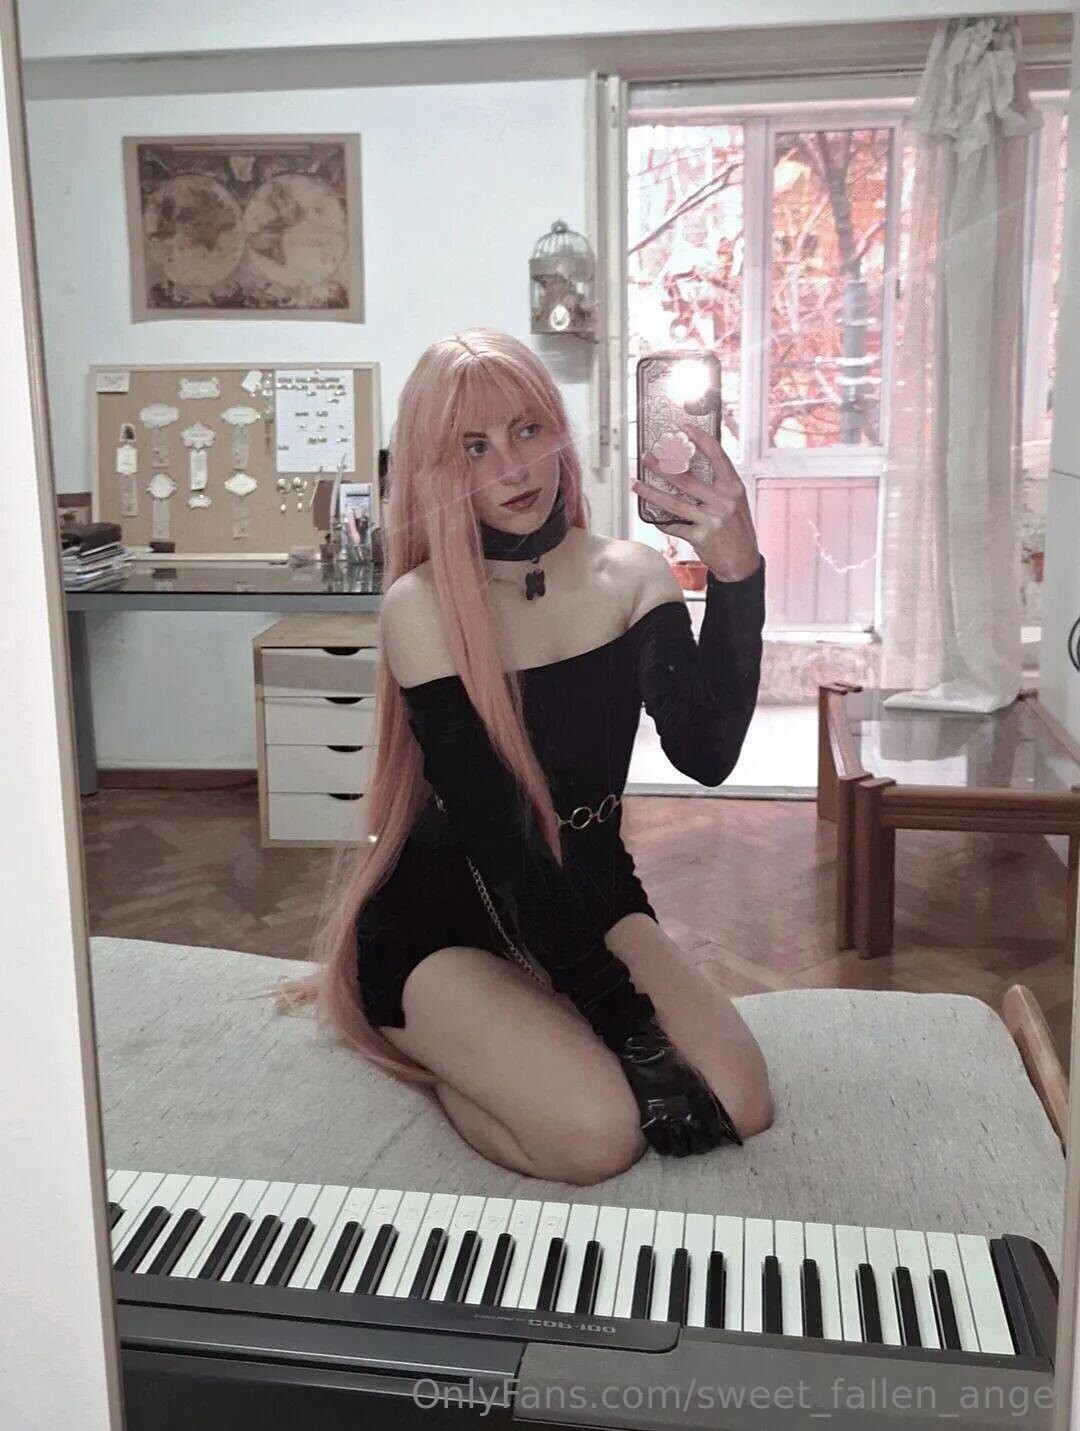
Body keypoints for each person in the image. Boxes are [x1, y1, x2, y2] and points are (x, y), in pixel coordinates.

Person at [288, 328, 772, 1185]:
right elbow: (505, 847)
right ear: (435, 469)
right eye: (473, 447)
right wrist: (628, 1029)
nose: (512, 468)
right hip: (445, 920)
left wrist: (737, 576)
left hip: (593, 891)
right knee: (600, 1136)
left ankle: (529, 1034)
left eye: (526, 430)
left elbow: (707, 755)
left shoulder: (633, 575)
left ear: (559, 433)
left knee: (742, 1102)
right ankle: (447, 1057)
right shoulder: (421, 606)